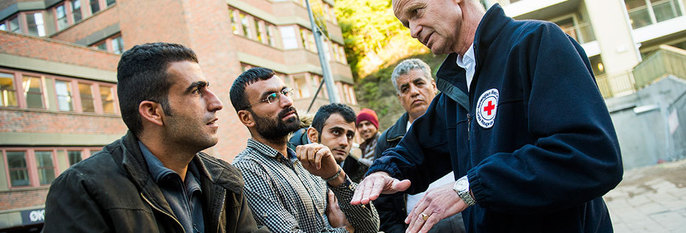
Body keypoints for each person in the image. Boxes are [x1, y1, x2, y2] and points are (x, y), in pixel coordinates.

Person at [351, 1, 623, 233]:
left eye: (417, 11)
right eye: (405, 23)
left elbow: (591, 156)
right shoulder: (455, 86)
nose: (412, 31)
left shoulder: (537, 42)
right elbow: (416, 149)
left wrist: (470, 187)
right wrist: (383, 171)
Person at [42, 42, 269, 233]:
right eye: (196, 91)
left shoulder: (224, 179)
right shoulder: (84, 189)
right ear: (152, 112)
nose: (216, 103)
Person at [230, 67, 379, 233]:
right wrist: (348, 230)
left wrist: (336, 176)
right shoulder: (248, 169)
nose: (287, 101)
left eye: (285, 92)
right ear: (246, 117)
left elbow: (370, 227)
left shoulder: (306, 160)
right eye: (270, 97)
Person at [373, 58, 465, 233]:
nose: (414, 92)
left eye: (419, 83)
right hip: (420, 226)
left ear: (433, 86)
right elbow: (384, 205)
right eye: (405, 89)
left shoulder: (461, 120)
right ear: (400, 99)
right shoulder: (388, 141)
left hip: (467, 215)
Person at [290, 103, 370, 183]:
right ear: (313, 135)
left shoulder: (360, 170)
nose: (344, 143)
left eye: (349, 135)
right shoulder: (287, 164)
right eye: (336, 132)